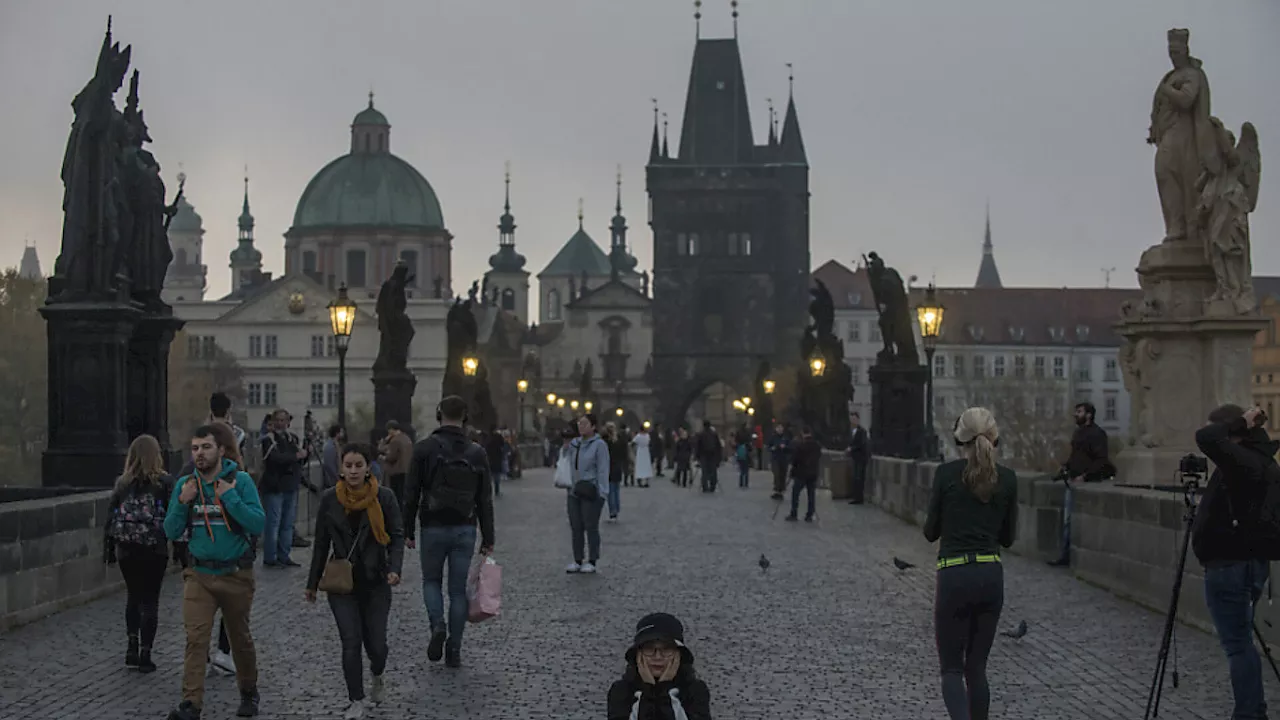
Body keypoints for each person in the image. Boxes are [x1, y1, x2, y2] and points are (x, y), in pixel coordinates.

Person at [164, 425, 266, 720]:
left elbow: (258, 524)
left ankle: (248, 691)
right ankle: (190, 704)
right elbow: (170, 530)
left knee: (240, 638)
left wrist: (230, 499)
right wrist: (183, 502)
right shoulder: (185, 485)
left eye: (206, 447)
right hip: (199, 575)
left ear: (221, 450)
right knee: (196, 639)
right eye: (195, 448)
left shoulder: (241, 481)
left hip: (236, 575)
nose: (199, 454)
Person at [923, 407, 1017, 720]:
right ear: (995, 438)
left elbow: (929, 532)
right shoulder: (1007, 478)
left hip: (954, 574)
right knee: (977, 668)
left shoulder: (946, 474)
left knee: (952, 668)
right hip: (990, 575)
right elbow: (1008, 538)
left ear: (958, 438)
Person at [306, 443, 405, 720]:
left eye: (358, 465)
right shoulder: (329, 499)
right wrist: (312, 584)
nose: (353, 471)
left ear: (368, 467)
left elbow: (397, 535)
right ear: (341, 468)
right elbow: (321, 545)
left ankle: (378, 671)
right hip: (342, 584)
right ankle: (356, 700)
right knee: (350, 641)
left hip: (376, 581)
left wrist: (395, 568)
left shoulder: (384, 498)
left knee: (376, 644)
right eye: (348, 465)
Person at [1193, 404, 1275, 720]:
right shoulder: (1261, 459)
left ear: (1235, 434)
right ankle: (1253, 710)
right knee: (1242, 641)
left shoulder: (1241, 459)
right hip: (1250, 562)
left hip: (1229, 565)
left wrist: (1238, 423)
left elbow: (1206, 437)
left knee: (1238, 645)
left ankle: (1250, 713)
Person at [403, 395, 495, 668]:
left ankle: (437, 626)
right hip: (464, 527)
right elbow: (485, 499)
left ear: (438, 414)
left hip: (432, 525)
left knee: (431, 582)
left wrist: (407, 528)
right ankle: (454, 648)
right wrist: (488, 537)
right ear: (465, 417)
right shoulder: (477, 452)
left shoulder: (424, 449)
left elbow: (410, 493)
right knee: (457, 591)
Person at [104, 434, 175, 674]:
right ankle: (146, 652)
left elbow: (109, 518)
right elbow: (173, 516)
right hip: (154, 548)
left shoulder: (122, 483)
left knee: (133, 596)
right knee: (150, 600)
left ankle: (131, 646)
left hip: (127, 548)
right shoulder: (164, 482)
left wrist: (109, 552)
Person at [606, 613, 712, 720]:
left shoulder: (695, 691)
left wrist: (664, 692)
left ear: (679, 655)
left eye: (666, 649)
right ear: (637, 654)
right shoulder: (621, 691)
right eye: (649, 648)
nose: (657, 656)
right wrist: (648, 693)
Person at [1049, 402, 1114, 567]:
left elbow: (1101, 460)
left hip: (1087, 482)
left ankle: (1068, 557)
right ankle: (1065, 555)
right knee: (1068, 521)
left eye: (1079, 412)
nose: (1075, 415)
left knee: (1071, 521)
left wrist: (1085, 476)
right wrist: (1066, 467)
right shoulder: (1078, 433)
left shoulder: (1097, 434)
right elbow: (1076, 457)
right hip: (1073, 481)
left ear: (1089, 415)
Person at [260, 409, 308, 567]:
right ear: (273, 422)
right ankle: (270, 557)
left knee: (287, 524)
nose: (281, 423)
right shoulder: (268, 439)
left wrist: (303, 455)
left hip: (290, 485)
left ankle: (284, 555)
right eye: (278, 420)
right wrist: (295, 456)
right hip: (274, 486)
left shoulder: (292, 438)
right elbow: (274, 459)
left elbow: (298, 462)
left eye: (283, 420)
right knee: (273, 523)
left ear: (288, 422)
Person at [566, 413, 610, 573]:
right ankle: (577, 559)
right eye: (579, 424)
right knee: (576, 526)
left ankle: (592, 560)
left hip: (591, 491)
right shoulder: (574, 444)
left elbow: (603, 469)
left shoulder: (600, 445)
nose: (581, 426)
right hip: (574, 490)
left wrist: (603, 492)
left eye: (585, 424)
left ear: (593, 426)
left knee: (590, 526)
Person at [786, 427, 822, 522]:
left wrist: (792, 472)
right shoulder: (817, 446)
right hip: (812, 473)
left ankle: (794, 513)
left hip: (801, 473)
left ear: (802, 434)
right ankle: (809, 514)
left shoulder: (800, 445)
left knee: (796, 493)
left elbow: (795, 460)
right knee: (811, 495)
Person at [378, 420, 413, 505]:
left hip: (396, 471)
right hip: (406, 470)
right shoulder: (407, 438)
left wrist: (383, 458)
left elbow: (391, 457)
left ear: (391, 429)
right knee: (402, 494)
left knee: (396, 495)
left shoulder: (395, 440)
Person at [605, 422, 626, 522]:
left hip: (609, 467)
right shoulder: (620, 440)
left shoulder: (606, 441)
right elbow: (624, 452)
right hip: (618, 466)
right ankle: (616, 510)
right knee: (616, 490)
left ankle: (612, 512)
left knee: (610, 491)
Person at [849, 413, 870, 505]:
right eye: (852, 419)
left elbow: (862, 444)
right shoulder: (852, 431)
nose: (853, 421)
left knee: (859, 477)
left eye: (854, 419)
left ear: (858, 420)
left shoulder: (862, 431)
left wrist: (852, 448)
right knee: (855, 478)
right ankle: (855, 497)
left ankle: (859, 498)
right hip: (855, 458)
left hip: (861, 458)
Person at [695, 422, 722, 493]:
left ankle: (705, 487)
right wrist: (719, 457)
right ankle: (712, 486)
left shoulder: (701, 434)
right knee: (713, 471)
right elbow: (718, 446)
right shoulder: (714, 434)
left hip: (703, 455)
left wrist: (697, 456)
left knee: (704, 472)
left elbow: (698, 446)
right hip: (712, 455)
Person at [767, 424, 791, 501]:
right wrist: (772, 448)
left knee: (782, 475)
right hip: (775, 458)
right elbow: (769, 447)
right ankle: (776, 490)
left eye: (781, 429)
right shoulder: (773, 437)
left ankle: (780, 491)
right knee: (776, 474)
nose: (780, 430)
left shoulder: (786, 438)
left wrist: (785, 447)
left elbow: (790, 448)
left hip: (784, 459)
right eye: (778, 428)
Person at [485, 427, 508, 498]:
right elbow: (502, 445)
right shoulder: (498, 437)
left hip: (490, 459)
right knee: (496, 476)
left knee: (489, 476)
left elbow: (486, 447)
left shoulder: (488, 438)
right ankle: (496, 491)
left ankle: (488, 491)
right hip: (497, 458)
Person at [323, 425, 345, 489]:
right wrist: (338, 478)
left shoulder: (336, 445)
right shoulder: (330, 447)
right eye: (341, 432)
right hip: (333, 482)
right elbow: (329, 465)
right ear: (337, 433)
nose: (342, 434)